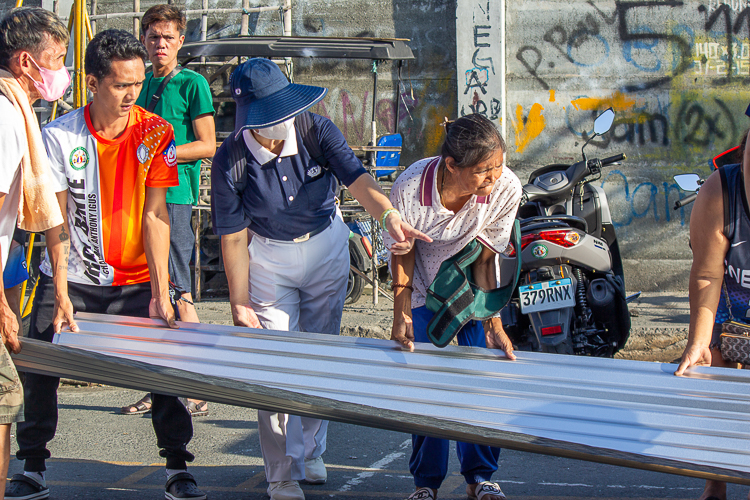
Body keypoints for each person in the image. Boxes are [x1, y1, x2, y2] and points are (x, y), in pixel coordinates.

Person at [211, 57, 430, 500]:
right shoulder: (230, 157)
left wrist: (387, 215)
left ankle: (311, 451)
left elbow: (357, 178)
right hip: (267, 259)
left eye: (283, 110)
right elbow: (233, 239)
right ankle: (280, 475)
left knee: (321, 354)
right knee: (271, 369)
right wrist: (239, 301)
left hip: (325, 247)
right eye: (266, 115)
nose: (279, 122)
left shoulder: (315, 130)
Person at [6, 29, 207, 500]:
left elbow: (157, 215)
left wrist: (163, 291)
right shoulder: (58, 136)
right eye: (120, 85)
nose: (131, 94)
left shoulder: (156, 131)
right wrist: (58, 291)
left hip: (136, 278)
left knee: (165, 368)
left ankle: (177, 465)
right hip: (73, 277)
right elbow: (54, 222)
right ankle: (32, 466)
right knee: (39, 366)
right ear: (93, 82)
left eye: (137, 84)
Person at [385, 114, 522, 500]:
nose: (493, 177)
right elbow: (403, 251)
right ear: (451, 165)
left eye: (498, 166)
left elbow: (485, 257)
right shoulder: (411, 187)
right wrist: (402, 313)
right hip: (422, 285)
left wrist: (492, 321)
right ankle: (425, 484)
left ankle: (480, 478)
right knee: (427, 387)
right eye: (482, 171)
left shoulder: (506, 185)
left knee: (480, 382)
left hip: (471, 286)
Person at [121, 3, 216, 418]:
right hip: (135, 199)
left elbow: (208, 144)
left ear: (181, 41)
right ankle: (156, 386)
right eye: (153, 37)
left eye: (167, 37)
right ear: (143, 41)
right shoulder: (137, 84)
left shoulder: (193, 84)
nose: (160, 44)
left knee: (178, 288)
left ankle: (196, 385)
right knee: (150, 292)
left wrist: (166, 151)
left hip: (173, 199)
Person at [0, 7, 68, 499]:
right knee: (5, 399)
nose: (63, 70)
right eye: (58, 58)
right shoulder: (6, 117)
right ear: (26, 62)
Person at [675, 129, 750, 500]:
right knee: (713, 388)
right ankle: (714, 482)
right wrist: (699, 342)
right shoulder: (720, 190)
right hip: (725, 297)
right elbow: (707, 274)